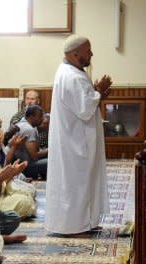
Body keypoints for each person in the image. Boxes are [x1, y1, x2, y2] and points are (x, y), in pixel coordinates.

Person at [45, 35, 112, 236]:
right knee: (77, 184)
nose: (91, 53)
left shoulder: (71, 71)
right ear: (75, 54)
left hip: (75, 138)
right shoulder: (72, 76)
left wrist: (98, 94)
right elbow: (84, 108)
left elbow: (85, 101)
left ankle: (87, 222)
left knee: (83, 182)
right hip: (75, 142)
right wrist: (98, 92)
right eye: (88, 50)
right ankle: (74, 227)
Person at [14, 105, 48, 179]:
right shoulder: (28, 129)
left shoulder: (22, 124)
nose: (42, 119)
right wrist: (50, 150)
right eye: (40, 117)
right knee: (51, 161)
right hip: (25, 166)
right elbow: (34, 156)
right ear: (32, 117)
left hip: (20, 163)